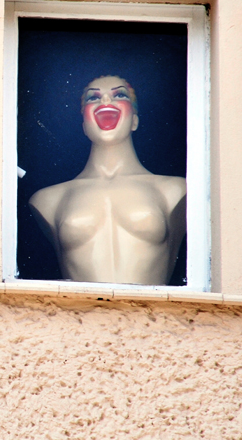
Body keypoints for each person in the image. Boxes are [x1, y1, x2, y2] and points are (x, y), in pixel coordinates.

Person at [29, 75, 186, 285]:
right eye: (93, 98)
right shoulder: (49, 199)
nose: (105, 101)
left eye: (119, 94)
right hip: (79, 315)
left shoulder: (175, 190)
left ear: (135, 120)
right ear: (84, 124)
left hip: (152, 315)